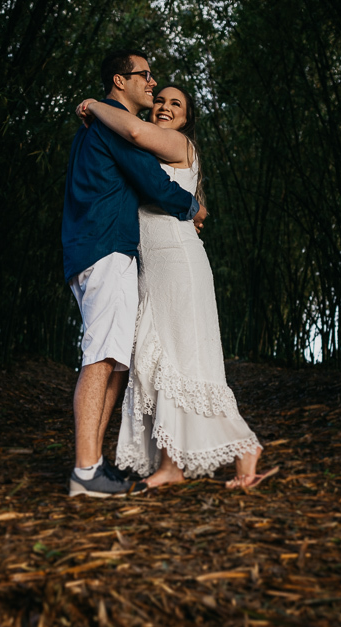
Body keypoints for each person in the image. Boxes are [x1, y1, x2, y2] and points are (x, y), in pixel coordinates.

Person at [76, 85, 277, 490]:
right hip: (153, 268)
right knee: (157, 363)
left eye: (176, 104)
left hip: (178, 262)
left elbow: (132, 131)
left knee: (186, 359)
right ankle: (172, 465)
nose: (165, 107)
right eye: (161, 100)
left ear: (186, 119)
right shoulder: (146, 156)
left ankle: (244, 449)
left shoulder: (175, 142)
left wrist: (95, 105)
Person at [62, 50, 208, 497]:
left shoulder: (93, 130)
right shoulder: (112, 126)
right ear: (119, 80)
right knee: (101, 359)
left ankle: (95, 464)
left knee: (115, 364)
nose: (151, 83)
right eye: (145, 75)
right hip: (106, 250)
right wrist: (192, 206)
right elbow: (152, 181)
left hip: (101, 249)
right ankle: (86, 472)